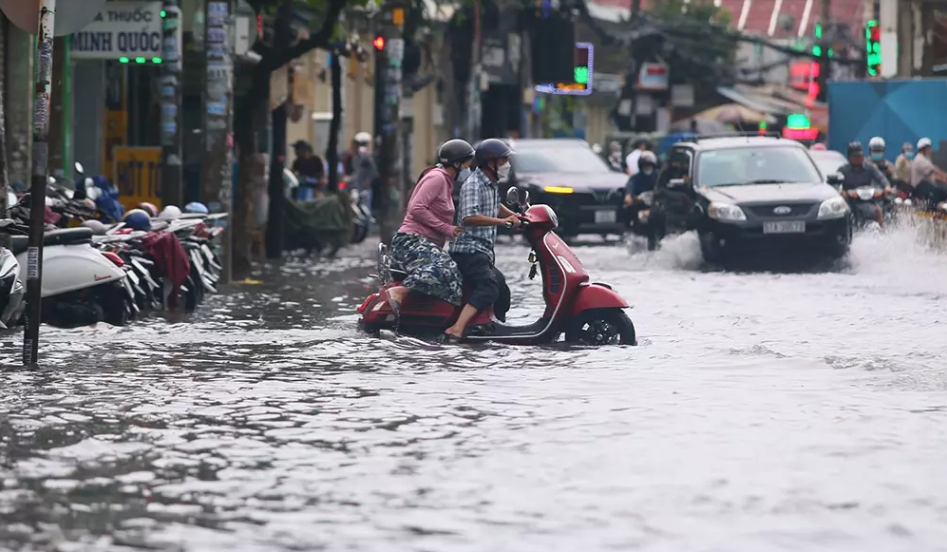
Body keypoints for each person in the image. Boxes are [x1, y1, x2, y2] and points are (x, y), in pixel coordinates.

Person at [382, 140, 475, 317]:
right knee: (446, 268)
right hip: (410, 241)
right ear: (456, 163)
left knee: (455, 280)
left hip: (424, 243)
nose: (468, 169)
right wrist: (446, 228)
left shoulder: (447, 182)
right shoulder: (437, 178)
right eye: (467, 164)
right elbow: (416, 208)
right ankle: (401, 292)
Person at [445, 139, 521, 341]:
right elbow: (469, 217)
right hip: (468, 251)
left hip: (482, 252)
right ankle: (457, 328)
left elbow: (494, 206)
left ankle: (492, 326)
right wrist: (503, 222)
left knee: (502, 288)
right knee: (489, 287)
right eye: (503, 160)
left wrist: (517, 216)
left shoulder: (491, 183)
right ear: (490, 162)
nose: (507, 164)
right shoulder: (473, 185)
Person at [838, 141, 889, 226]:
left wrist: (887, 187)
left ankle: (882, 232)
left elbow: (881, 178)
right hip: (850, 202)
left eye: (860, 156)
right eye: (855, 156)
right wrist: (841, 191)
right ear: (850, 157)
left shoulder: (870, 168)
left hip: (868, 200)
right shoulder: (843, 171)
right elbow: (836, 184)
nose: (858, 158)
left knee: (878, 210)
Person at [910, 137, 947, 206]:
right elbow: (934, 170)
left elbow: (931, 175)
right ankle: (932, 210)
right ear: (924, 149)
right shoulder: (920, 159)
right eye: (929, 148)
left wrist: (943, 179)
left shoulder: (925, 159)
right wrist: (945, 176)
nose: (930, 150)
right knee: (939, 193)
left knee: (942, 191)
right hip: (919, 187)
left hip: (926, 186)